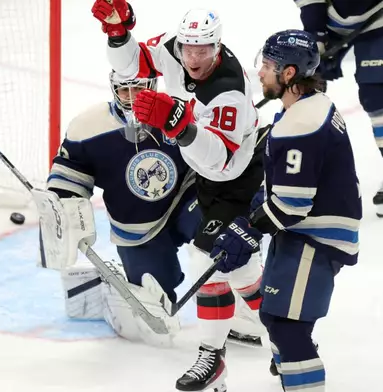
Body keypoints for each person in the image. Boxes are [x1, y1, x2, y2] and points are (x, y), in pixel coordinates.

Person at [91, 1, 266, 390]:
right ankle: (271, 337)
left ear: (217, 47)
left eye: (203, 50)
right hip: (205, 178)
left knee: (216, 259)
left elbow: (221, 161)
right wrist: (119, 33)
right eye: (189, 48)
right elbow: (131, 66)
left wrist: (180, 125)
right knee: (224, 264)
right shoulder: (174, 47)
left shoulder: (228, 90)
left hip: (237, 179)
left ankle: (220, 355)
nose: (194, 57)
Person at [210, 30, 362, 391]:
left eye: (267, 66)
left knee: (287, 325)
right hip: (304, 232)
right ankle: (296, 367)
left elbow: (293, 205)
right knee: (277, 317)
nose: (260, 73)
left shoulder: (300, 125)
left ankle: (300, 370)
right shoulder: (309, 106)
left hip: (316, 236)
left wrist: (247, 228)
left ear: (289, 74)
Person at [47, 71, 200, 346]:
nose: (131, 98)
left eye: (138, 88)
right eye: (124, 90)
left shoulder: (178, 111)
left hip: (186, 200)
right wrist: (63, 206)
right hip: (136, 225)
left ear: (152, 84)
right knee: (151, 316)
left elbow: (215, 154)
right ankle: (110, 293)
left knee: (216, 236)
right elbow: (70, 175)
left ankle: (236, 308)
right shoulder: (89, 126)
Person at [294, 0, 383, 217]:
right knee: (303, 91)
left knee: (376, 96)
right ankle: (295, 179)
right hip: (332, 21)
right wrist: (316, 33)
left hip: (380, 19)